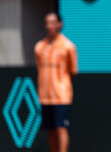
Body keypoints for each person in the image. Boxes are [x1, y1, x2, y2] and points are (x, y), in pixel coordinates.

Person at [35, 12, 78, 152]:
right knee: (51, 130)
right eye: (47, 22)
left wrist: (61, 85)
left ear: (60, 24)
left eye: (52, 22)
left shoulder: (68, 46)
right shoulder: (39, 47)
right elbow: (39, 68)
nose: (49, 26)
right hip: (45, 96)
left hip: (61, 96)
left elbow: (73, 71)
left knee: (61, 128)